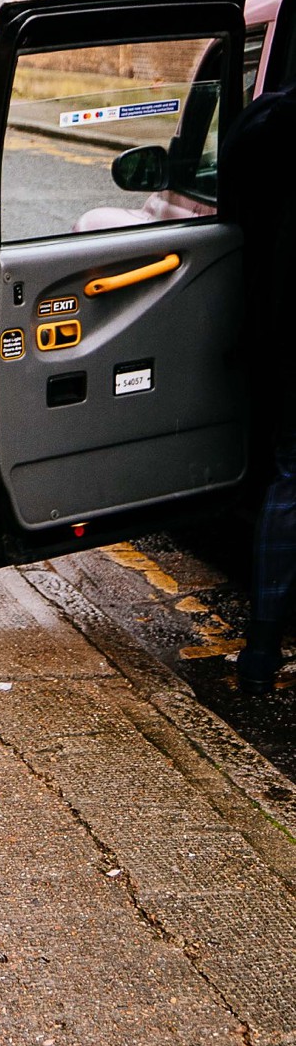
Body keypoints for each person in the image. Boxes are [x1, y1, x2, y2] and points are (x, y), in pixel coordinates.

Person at [221, 79, 296, 693]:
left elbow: (229, 203)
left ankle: (262, 651)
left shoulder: (269, 121)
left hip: (287, 327)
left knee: (290, 479)